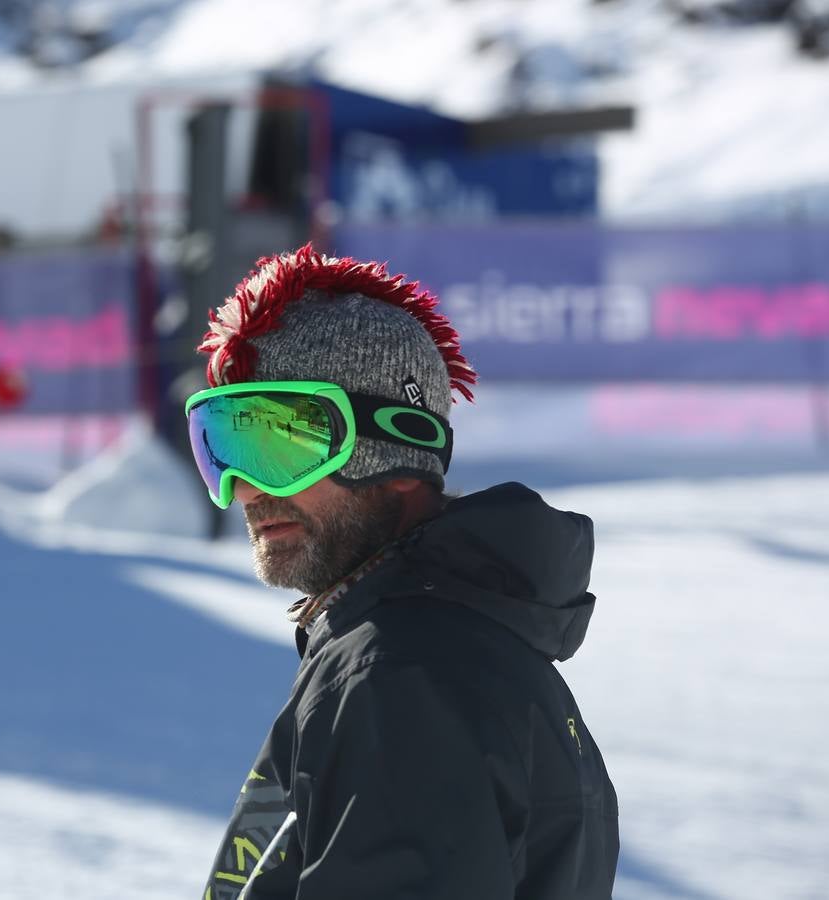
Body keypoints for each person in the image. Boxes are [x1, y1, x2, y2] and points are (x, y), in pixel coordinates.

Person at [185, 245, 619, 899]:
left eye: (276, 442)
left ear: (395, 445)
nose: (245, 490)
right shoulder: (451, 647)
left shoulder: (401, 675)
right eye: (222, 448)